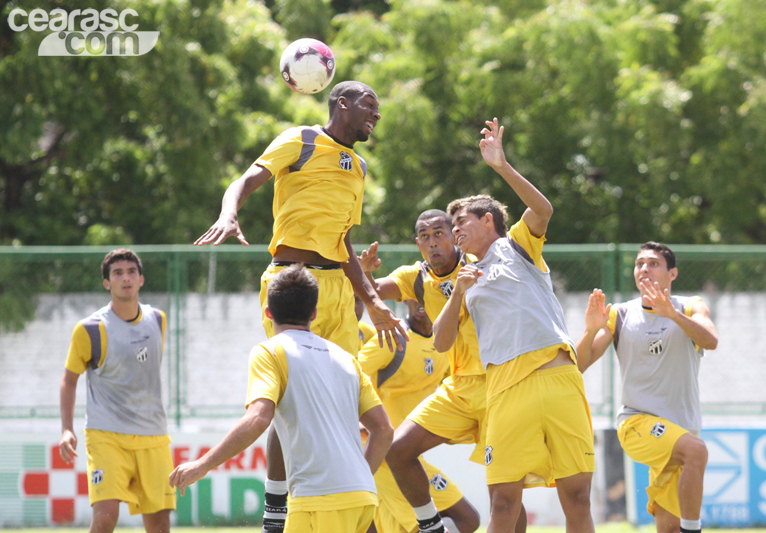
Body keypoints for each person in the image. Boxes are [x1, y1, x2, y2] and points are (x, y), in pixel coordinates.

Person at [193, 80, 406, 532]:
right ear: (341, 103)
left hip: (337, 288)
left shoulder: (359, 166)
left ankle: (351, 490)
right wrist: (230, 212)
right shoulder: (302, 140)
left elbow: (344, 242)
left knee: (348, 397)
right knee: (286, 395)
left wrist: (371, 299)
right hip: (292, 279)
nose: (376, 113)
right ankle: (275, 508)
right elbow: (247, 178)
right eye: (370, 103)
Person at [433, 119, 595, 533]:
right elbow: (441, 342)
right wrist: (456, 294)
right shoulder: (464, 279)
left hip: (558, 379)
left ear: (489, 221)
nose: (455, 232)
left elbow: (544, 209)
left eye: (462, 223)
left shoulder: (517, 246)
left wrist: (502, 166)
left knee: (576, 496)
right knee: (504, 501)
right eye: (452, 228)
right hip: (505, 389)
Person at [169, 264, 394, 533]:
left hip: (318, 500)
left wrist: (203, 464)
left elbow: (258, 418)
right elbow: (383, 429)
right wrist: (359, 478)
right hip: (362, 498)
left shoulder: (270, 352)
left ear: (267, 312)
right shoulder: (347, 359)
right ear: (313, 313)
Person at [360, 210, 527, 533]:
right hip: (461, 387)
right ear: (417, 243)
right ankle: (430, 526)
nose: (433, 243)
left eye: (439, 233)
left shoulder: (481, 263)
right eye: (425, 236)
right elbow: (374, 292)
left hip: (501, 385)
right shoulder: (415, 278)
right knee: (398, 449)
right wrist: (365, 274)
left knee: (504, 493)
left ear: (455, 235)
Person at [576, 242, 718, 533]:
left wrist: (673, 315)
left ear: (672, 273)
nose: (644, 269)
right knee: (697, 452)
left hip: (679, 431)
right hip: (637, 422)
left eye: (653, 263)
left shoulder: (690, 307)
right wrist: (590, 330)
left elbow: (711, 341)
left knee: (667, 527)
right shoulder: (620, 314)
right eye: (639, 263)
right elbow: (577, 364)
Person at [59, 248, 174, 533]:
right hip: (106, 434)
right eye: (118, 273)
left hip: (153, 434)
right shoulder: (90, 329)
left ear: (142, 279)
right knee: (106, 515)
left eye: (131, 272)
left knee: (160, 523)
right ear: (107, 283)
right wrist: (66, 429)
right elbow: (69, 380)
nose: (126, 278)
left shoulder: (158, 319)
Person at [359, 299, 480, 533]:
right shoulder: (393, 339)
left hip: (407, 453)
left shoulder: (445, 345)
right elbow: (351, 373)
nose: (421, 301)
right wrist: (359, 420)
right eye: (414, 294)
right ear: (405, 299)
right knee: (461, 519)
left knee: (467, 520)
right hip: (383, 453)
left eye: (426, 294)